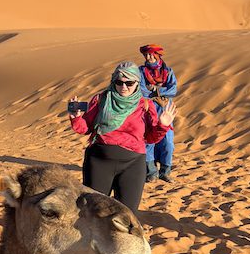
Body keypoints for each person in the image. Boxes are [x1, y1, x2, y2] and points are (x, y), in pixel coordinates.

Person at [69, 61, 176, 213]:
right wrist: (76, 118)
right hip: (99, 162)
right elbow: (86, 128)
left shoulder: (145, 105)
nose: (124, 87)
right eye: (119, 82)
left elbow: (151, 138)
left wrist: (163, 125)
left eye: (129, 83)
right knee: (92, 212)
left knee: (127, 215)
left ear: (137, 83)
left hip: (133, 164)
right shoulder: (101, 99)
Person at [139, 43, 178, 182]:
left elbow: (173, 90)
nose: (148, 57)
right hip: (149, 109)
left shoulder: (168, 71)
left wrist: (156, 89)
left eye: (150, 54)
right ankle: (151, 173)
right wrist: (159, 92)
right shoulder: (141, 71)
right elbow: (142, 90)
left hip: (165, 110)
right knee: (149, 140)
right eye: (146, 55)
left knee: (168, 142)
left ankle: (165, 172)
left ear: (157, 55)